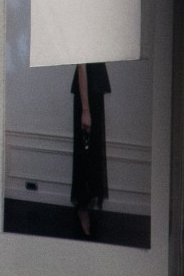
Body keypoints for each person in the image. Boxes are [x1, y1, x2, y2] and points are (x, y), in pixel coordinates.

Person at [70, 62, 110, 238]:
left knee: (92, 152)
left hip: (94, 94)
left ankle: (86, 204)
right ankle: (82, 208)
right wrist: (86, 110)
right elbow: (81, 66)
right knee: (85, 152)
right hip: (87, 97)